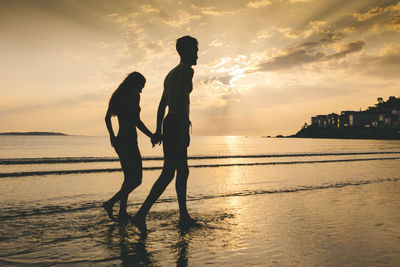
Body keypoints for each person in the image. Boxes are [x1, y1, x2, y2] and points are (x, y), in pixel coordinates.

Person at [132, 36, 198, 232]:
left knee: (180, 171)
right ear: (186, 52)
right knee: (170, 173)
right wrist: (184, 128)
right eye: (195, 50)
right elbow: (178, 101)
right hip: (177, 124)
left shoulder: (170, 74)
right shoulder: (187, 71)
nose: (197, 55)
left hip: (170, 123)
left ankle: (183, 216)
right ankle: (142, 215)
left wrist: (158, 130)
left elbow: (162, 104)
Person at [102, 71, 154, 222]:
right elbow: (136, 121)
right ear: (135, 84)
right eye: (141, 86)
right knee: (136, 180)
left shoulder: (118, 96)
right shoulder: (133, 96)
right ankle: (110, 203)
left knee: (128, 179)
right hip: (129, 142)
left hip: (120, 141)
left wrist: (112, 136)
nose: (141, 90)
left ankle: (122, 212)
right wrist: (151, 135)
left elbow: (107, 117)